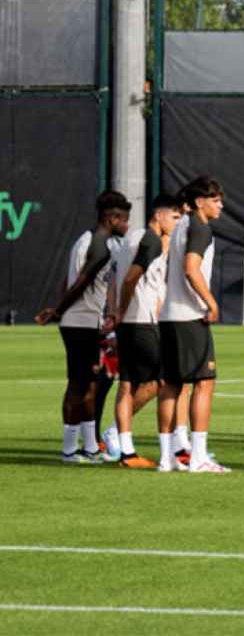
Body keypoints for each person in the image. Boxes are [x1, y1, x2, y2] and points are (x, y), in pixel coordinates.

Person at [36, 191, 130, 464]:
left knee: (90, 383)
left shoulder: (90, 240)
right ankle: (68, 450)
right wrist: (58, 311)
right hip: (80, 323)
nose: (126, 225)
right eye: (123, 220)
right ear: (111, 218)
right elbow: (80, 284)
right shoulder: (98, 246)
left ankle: (89, 447)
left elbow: (71, 282)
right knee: (78, 385)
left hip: (88, 322)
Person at [156, 176, 226, 474]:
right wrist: (210, 302)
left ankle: (166, 457)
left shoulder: (180, 224)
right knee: (204, 384)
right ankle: (197, 457)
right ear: (200, 202)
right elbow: (190, 269)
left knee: (171, 385)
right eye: (215, 200)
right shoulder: (199, 226)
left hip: (170, 315)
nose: (221, 205)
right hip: (189, 317)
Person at [107, 195, 180, 469]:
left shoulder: (130, 239)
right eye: (174, 217)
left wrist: (115, 312)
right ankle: (166, 448)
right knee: (163, 381)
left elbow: (116, 279)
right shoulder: (150, 240)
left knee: (127, 384)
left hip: (128, 323)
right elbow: (129, 279)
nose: (177, 223)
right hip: (141, 321)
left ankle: (126, 450)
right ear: (159, 216)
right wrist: (121, 310)